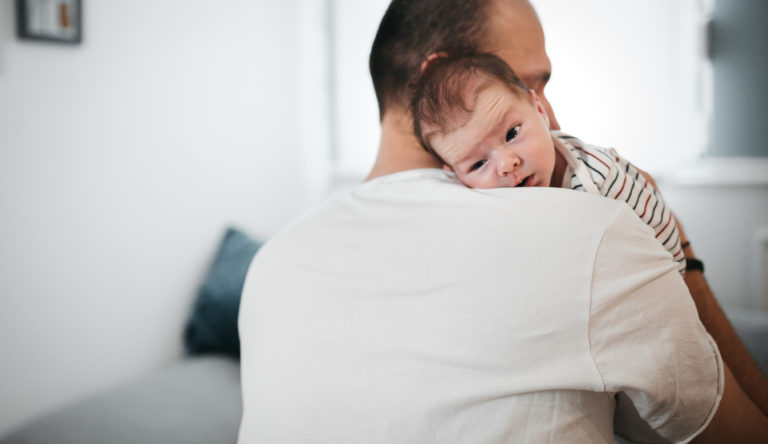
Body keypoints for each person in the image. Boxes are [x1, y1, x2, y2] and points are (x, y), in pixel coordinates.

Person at [238, 0, 768, 442]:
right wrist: (674, 246)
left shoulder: (272, 264)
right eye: (527, 82)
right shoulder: (590, 231)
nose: (550, 117)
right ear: (437, 76)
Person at [410, 52, 686, 272]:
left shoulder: (598, 178)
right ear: (454, 175)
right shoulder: (473, 205)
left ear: (539, 110)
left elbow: (662, 242)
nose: (507, 164)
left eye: (512, 133)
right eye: (477, 164)